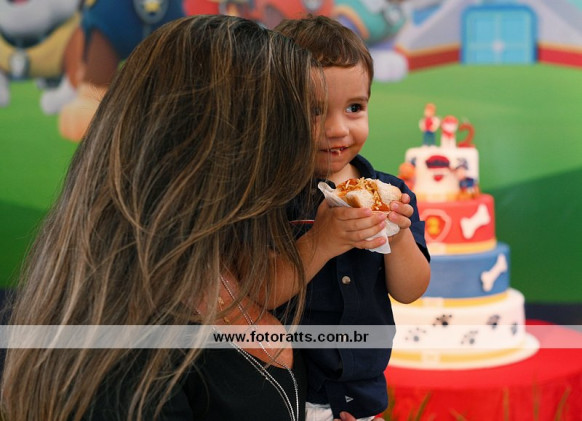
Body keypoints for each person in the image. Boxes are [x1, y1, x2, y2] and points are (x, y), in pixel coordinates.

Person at [1, 14, 324, 421]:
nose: (323, 139)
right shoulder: (125, 364)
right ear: (226, 149)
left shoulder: (229, 259)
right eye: (304, 119)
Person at [270, 15, 431, 421]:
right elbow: (259, 293)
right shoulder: (268, 196)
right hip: (285, 392)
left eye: (355, 108)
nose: (338, 129)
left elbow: (411, 290)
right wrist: (320, 243)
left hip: (362, 395)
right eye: (314, 111)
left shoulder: (391, 190)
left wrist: (398, 237)